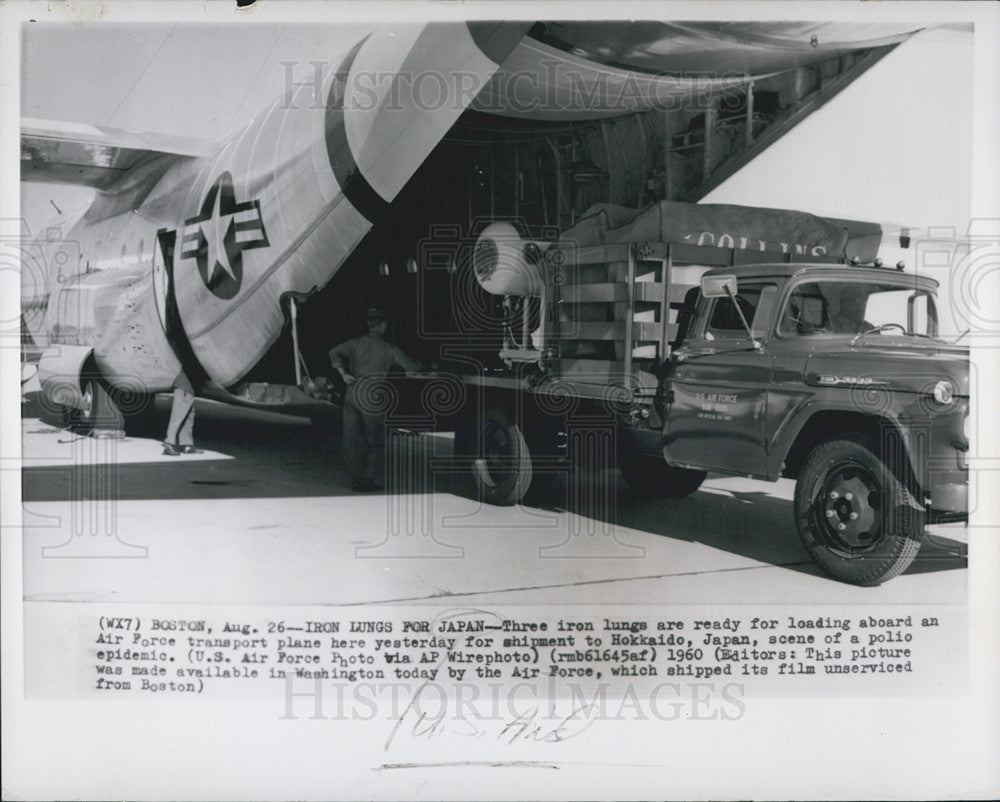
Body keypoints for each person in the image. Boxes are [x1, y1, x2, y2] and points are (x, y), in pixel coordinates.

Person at [329, 308, 419, 491]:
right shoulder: (390, 349)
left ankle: (356, 480)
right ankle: (368, 480)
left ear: (369, 325)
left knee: (351, 439)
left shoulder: (355, 344)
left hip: (352, 392)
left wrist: (343, 374)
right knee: (375, 441)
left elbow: (333, 352)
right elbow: (411, 368)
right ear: (384, 326)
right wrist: (426, 364)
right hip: (372, 396)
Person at [162, 369, 203, 456]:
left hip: (189, 388)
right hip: (184, 387)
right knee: (178, 416)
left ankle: (187, 446)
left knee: (189, 416)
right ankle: (168, 444)